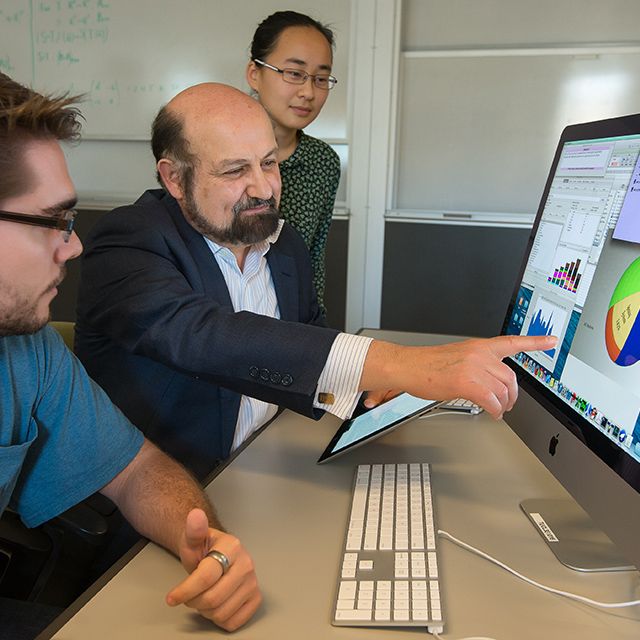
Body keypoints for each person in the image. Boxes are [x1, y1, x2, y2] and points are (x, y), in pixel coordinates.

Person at [74, 81, 556, 485]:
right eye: (234, 170)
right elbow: (205, 337)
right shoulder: (128, 241)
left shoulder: (284, 245)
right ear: (174, 179)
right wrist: (406, 362)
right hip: (172, 497)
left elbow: (308, 346)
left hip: (272, 469)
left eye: (268, 162)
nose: (263, 188)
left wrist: (372, 388)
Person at [0, 73, 260, 637]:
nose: (74, 245)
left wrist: (208, 547)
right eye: (52, 221)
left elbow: (138, 470)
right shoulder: (136, 240)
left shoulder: (27, 349)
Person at [246, 10, 340, 316]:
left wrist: (318, 331)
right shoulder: (215, 153)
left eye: (321, 78)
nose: (308, 92)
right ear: (254, 74)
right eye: (294, 73)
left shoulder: (322, 162)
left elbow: (313, 261)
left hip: (293, 324)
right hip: (223, 324)